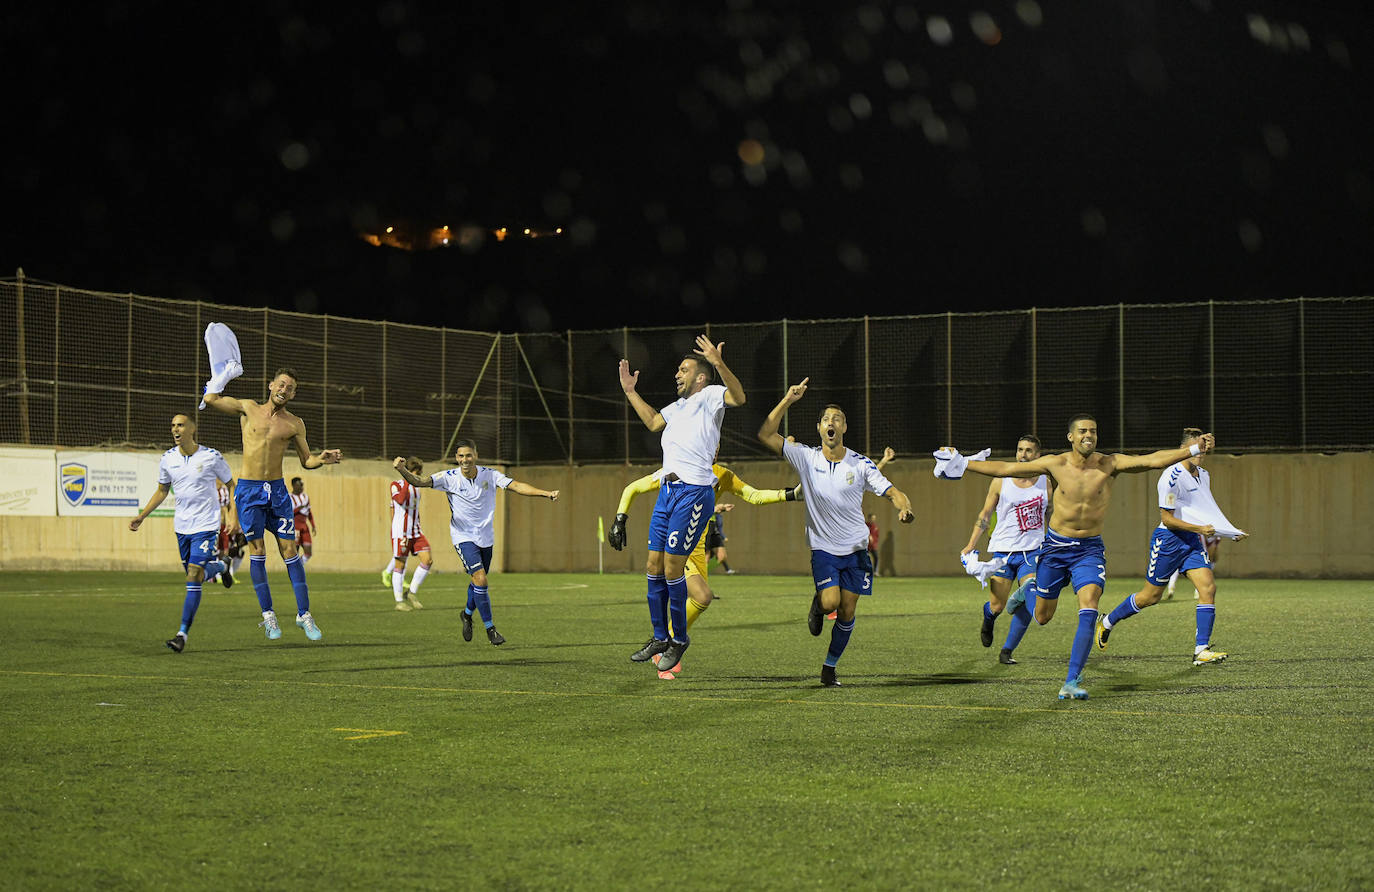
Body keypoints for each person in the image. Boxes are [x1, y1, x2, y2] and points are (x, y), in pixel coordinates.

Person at [938, 415, 1215, 700]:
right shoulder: (1055, 463)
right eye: (1082, 431)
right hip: (1055, 549)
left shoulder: (1110, 463)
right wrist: (964, 463)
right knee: (1042, 617)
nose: (1088, 435)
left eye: (1093, 431)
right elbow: (1006, 468)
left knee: (1090, 604)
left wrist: (1193, 450)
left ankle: (1071, 681)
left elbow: (1153, 460)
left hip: (1089, 549)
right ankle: (1028, 590)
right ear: (1070, 436)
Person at [758, 378, 915, 687]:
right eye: (827, 419)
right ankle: (817, 605)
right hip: (824, 549)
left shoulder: (861, 464)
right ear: (819, 428)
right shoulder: (806, 456)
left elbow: (893, 491)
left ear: (844, 428)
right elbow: (765, 434)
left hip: (856, 550)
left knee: (847, 611)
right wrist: (788, 400)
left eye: (837, 419)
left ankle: (829, 667)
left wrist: (904, 507)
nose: (832, 423)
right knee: (830, 603)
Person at [618, 335, 746, 674]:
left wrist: (718, 363)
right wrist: (631, 391)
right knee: (653, 564)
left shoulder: (710, 396)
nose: (678, 373)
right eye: (678, 368)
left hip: (694, 492)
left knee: (674, 568)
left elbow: (739, 397)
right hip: (668, 490)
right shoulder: (675, 408)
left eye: (684, 369)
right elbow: (652, 422)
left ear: (700, 377)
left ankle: (680, 641)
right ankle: (661, 637)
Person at [608, 461, 799, 678]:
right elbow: (632, 488)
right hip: (679, 544)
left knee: (698, 601)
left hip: (698, 547)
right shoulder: (677, 466)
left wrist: (789, 494)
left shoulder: (722, 474)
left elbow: (753, 495)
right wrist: (620, 517)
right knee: (702, 595)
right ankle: (666, 644)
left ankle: (668, 643)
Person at [203, 366, 341, 642]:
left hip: (277, 491)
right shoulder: (248, 408)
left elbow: (307, 460)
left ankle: (304, 615)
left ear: (293, 393)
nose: (284, 390)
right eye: (281, 384)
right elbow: (211, 399)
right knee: (258, 550)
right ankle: (268, 615)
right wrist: (222, 376)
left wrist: (322, 459)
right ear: (270, 385)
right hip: (249, 490)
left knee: (291, 550)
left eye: (289, 387)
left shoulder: (295, 424)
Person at [1095, 428, 1249, 664]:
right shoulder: (1171, 476)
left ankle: (1201, 650)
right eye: (1196, 450)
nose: (1200, 455)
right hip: (1168, 541)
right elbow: (1167, 519)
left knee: (1208, 588)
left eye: (1203, 450)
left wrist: (1228, 531)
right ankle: (1107, 622)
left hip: (1190, 541)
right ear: (1184, 450)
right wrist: (1201, 530)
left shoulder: (1203, 475)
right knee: (1150, 597)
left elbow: (1204, 510)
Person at [392, 441, 559, 645]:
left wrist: (546, 493)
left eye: (468, 456)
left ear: (476, 456)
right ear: (456, 457)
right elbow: (420, 481)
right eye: (461, 456)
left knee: (477, 581)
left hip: (486, 537)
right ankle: (491, 629)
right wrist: (402, 470)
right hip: (463, 537)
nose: (465, 460)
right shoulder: (448, 477)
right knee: (480, 579)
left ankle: (467, 614)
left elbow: (516, 486)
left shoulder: (490, 474)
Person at [128, 414, 236, 652]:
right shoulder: (167, 459)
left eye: (180, 425)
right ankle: (221, 566)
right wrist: (142, 515)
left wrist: (234, 516)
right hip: (182, 527)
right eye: (173, 426)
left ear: (192, 429)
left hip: (207, 525)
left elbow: (231, 484)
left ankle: (182, 634)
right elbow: (162, 491)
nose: (175, 429)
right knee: (194, 575)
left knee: (193, 575)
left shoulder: (211, 456)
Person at [959, 435, 1050, 665]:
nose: (1023, 455)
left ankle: (1007, 650)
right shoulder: (1002, 480)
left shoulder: (1046, 482)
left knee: (1033, 600)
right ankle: (989, 617)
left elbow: (1053, 514)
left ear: (1037, 456)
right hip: (1003, 552)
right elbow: (985, 515)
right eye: (1020, 450)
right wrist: (971, 545)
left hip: (1032, 552)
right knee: (997, 605)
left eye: (1029, 451)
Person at [387, 456, 430, 611]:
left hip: (416, 530)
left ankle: (411, 592)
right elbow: (400, 500)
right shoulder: (396, 485)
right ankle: (399, 601)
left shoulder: (417, 488)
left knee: (427, 560)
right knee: (400, 564)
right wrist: (407, 479)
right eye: (415, 473)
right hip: (401, 532)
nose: (417, 476)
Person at [1166, 532, 1221, 600]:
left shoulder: (1185, 531)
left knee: (1176, 569)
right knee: (1202, 573)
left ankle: (1171, 588)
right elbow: (1209, 544)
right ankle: (1198, 592)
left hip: (1183, 550)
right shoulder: (1200, 531)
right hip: (1198, 553)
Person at [290, 477, 317, 562]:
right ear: (294, 485)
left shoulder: (305, 497)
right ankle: (295, 571)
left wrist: (313, 525)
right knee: (295, 552)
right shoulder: (289, 497)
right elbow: (288, 513)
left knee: (308, 552)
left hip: (304, 526)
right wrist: (299, 508)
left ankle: (299, 567)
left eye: (302, 485)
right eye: (300, 485)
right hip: (295, 527)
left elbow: (309, 512)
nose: (302, 487)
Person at [704, 504, 734, 574]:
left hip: (714, 530)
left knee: (722, 557)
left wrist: (723, 508)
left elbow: (717, 508)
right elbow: (716, 508)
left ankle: (705, 572)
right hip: (706, 528)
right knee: (706, 555)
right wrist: (723, 507)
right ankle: (703, 575)